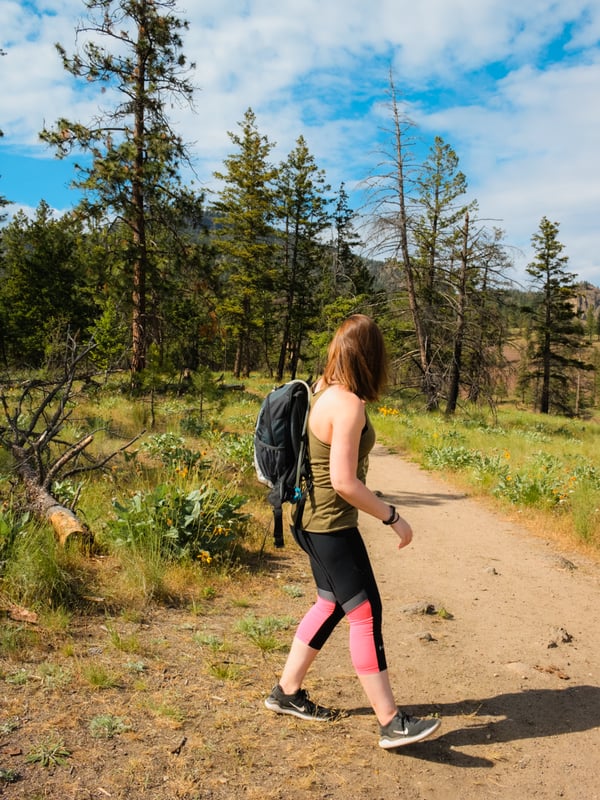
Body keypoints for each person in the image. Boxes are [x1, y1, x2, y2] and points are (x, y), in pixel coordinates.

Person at [264, 314, 441, 749]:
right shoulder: (348, 404)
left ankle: (286, 692)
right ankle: (391, 721)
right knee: (365, 612)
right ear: (370, 357)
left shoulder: (323, 391)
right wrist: (391, 515)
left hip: (310, 520)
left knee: (330, 603)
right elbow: (344, 481)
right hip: (330, 527)